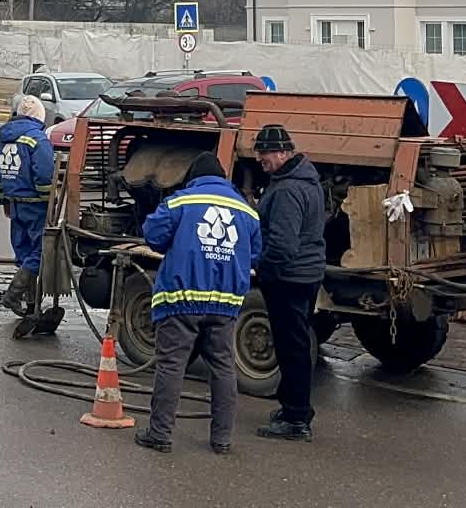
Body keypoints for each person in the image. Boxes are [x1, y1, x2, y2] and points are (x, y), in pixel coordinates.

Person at [135, 151, 260, 455]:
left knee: (171, 366)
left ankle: (160, 434)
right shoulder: (247, 212)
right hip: (225, 305)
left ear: (193, 178)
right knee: (223, 369)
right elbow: (254, 254)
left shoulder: (179, 203)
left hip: (182, 300)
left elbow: (153, 235)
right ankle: (222, 440)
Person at [251, 124, 326, 441]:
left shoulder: (286, 191)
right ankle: (294, 407)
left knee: (292, 347)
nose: (260, 159)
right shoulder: (307, 181)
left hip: (289, 277)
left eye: (265, 153)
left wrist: (264, 270)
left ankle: (296, 418)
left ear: (282, 153)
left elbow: (282, 244)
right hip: (307, 274)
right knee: (296, 344)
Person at [0, 94, 57, 313]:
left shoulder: (2, 139)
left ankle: (30, 305)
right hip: (35, 205)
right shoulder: (37, 139)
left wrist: (3, 201)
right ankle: (14, 295)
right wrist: (50, 201)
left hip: (14, 204)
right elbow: (45, 174)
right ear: (39, 116)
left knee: (24, 252)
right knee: (40, 252)